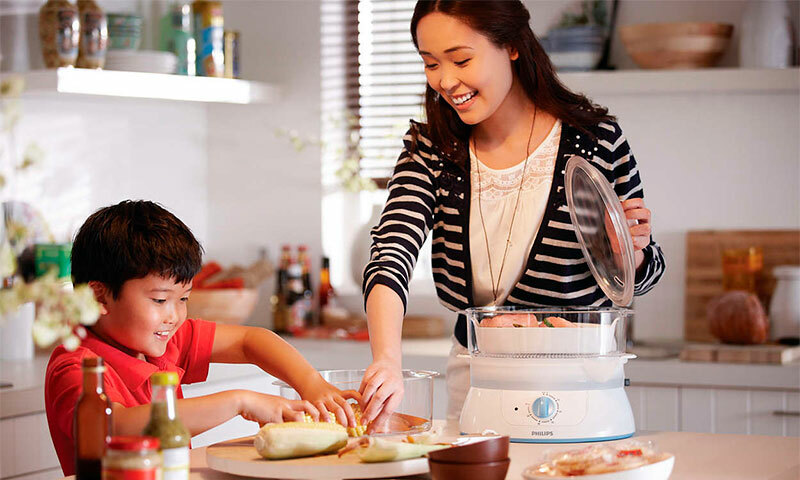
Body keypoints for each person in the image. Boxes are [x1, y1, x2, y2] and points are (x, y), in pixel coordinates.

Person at [358, 0, 666, 427]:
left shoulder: (596, 143)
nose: (446, 81)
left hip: (579, 377)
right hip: (476, 376)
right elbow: (392, 252)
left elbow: (640, 277)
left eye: (461, 59)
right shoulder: (432, 149)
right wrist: (388, 360)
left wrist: (630, 255)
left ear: (512, 46)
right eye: (430, 64)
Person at [45, 200, 359, 475]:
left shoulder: (161, 342)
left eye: (183, 299)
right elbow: (115, 426)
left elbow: (250, 341)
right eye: (159, 300)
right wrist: (240, 401)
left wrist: (312, 382)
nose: (174, 316)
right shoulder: (77, 368)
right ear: (99, 297)